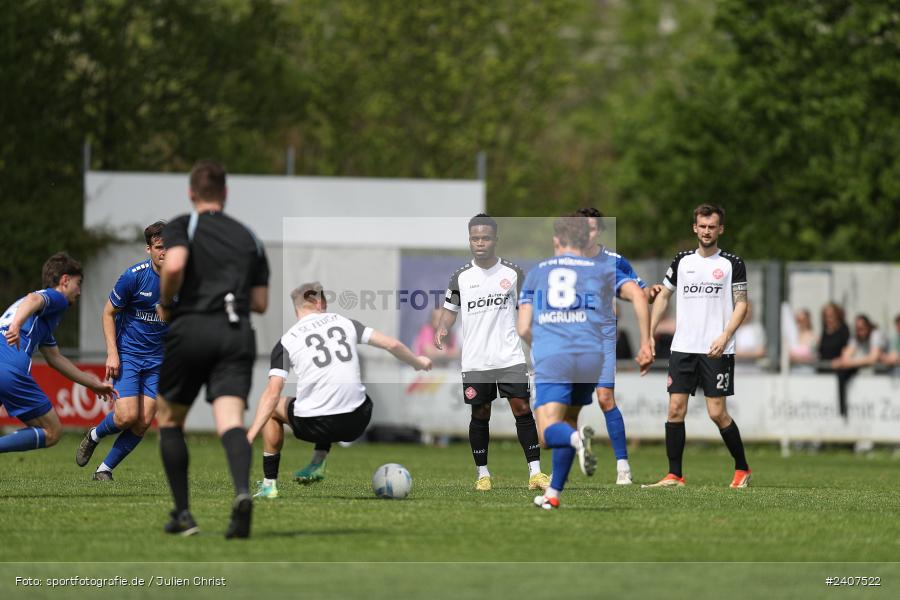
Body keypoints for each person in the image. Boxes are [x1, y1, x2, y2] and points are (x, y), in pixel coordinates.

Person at [154, 159, 269, 539]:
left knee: (170, 419)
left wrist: (168, 301)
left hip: (192, 328)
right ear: (226, 193)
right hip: (236, 333)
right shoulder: (248, 236)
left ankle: (184, 514)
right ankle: (240, 494)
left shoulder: (183, 225)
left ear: (191, 194)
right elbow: (261, 301)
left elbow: (174, 265)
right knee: (231, 421)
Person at [247, 283, 432, 499]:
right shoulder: (345, 323)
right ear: (320, 302)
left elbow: (272, 393)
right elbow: (392, 344)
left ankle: (269, 484)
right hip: (357, 421)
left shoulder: (286, 341)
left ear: (297, 308)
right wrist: (417, 362)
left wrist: (249, 435)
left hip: (313, 426)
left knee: (274, 407)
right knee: (331, 395)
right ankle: (318, 461)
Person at [434, 214, 549, 491]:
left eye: (485, 238)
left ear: (495, 240)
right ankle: (482, 474)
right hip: (476, 359)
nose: (480, 243)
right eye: (475, 238)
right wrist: (442, 329)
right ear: (470, 240)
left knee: (522, 408)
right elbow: (449, 311)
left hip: (510, 356)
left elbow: (527, 310)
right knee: (480, 413)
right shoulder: (460, 277)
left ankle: (535, 473)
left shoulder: (513, 273)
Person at [645, 203, 751, 489]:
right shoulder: (682, 261)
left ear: (720, 229)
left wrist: (725, 335)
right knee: (675, 410)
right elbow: (664, 296)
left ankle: (742, 468)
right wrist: (649, 334)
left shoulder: (731, 263)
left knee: (717, 412)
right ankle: (675, 475)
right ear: (695, 228)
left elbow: (741, 304)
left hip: (717, 348)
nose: (706, 231)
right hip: (683, 348)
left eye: (712, 226)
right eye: (702, 226)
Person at [517, 215, 615, 509]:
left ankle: (575, 440)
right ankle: (553, 494)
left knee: (549, 432)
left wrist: (546, 346)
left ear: (556, 240)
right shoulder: (599, 270)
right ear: (585, 239)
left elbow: (523, 327)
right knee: (568, 420)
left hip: (555, 357)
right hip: (591, 356)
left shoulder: (538, 272)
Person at [75, 222, 168, 480]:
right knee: (126, 416)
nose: (165, 253)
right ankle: (94, 435)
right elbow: (108, 312)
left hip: (159, 359)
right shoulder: (133, 277)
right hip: (129, 354)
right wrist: (112, 353)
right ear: (148, 249)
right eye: (160, 247)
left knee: (144, 420)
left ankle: (104, 469)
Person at [1, 253, 116, 454]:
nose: (79, 291)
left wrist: (93, 384)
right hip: (10, 368)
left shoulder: (43, 322)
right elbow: (34, 298)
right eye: (78, 283)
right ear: (64, 280)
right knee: (52, 431)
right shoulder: (56, 298)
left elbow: (55, 358)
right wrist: (16, 325)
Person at [576, 207, 657, 485]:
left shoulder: (613, 261)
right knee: (563, 406)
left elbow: (639, 292)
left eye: (593, 227)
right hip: (570, 337)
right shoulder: (563, 262)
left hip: (601, 336)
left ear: (600, 231)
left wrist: (650, 293)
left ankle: (623, 466)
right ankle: (573, 447)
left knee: (605, 398)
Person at [817, 302, 851, 418]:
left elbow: (847, 349)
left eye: (831, 315)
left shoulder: (843, 329)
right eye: (826, 316)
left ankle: (842, 412)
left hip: (838, 368)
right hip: (824, 367)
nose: (829, 318)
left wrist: (841, 360)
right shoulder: (824, 331)